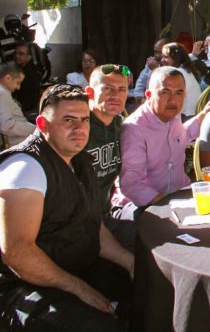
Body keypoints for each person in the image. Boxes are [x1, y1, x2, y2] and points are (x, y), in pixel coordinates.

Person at [0, 84, 134, 331]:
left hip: (76, 267)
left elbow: (94, 226)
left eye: (84, 120)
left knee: (146, 286)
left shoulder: (80, 161)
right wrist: (80, 288)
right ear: (42, 124)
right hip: (25, 286)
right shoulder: (25, 169)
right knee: (96, 326)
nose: (79, 128)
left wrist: (129, 262)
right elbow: (17, 253)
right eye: (68, 120)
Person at [119, 66, 210, 212]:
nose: (173, 100)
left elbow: (181, 137)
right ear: (149, 95)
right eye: (165, 92)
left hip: (179, 194)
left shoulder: (173, 116)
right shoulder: (134, 129)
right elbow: (131, 184)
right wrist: (167, 204)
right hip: (146, 205)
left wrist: (203, 116)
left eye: (179, 93)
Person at [84, 64, 135, 249]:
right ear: (90, 93)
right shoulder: (78, 127)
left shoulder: (122, 127)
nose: (116, 95)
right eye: (108, 89)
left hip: (106, 214)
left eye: (122, 89)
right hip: (76, 223)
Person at [160, 42, 202, 120]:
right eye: (162, 57)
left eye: (166, 57)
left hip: (185, 118)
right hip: (194, 114)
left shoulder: (176, 74)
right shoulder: (186, 70)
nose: (162, 60)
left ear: (176, 58)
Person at [0, 61, 35, 147]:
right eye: (18, 83)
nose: (18, 87)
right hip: (17, 144)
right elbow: (7, 126)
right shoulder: (2, 94)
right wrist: (35, 129)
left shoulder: (4, 92)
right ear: (8, 78)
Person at [128, 37, 169, 101]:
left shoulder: (172, 65)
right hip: (147, 99)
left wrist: (155, 69)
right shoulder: (151, 62)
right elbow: (141, 81)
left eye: (160, 52)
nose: (157, 55)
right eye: (156, 52)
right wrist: (139, 96)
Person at [12, 42, 43, 117]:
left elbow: (28, 98)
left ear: (29, 57)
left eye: (21, 54)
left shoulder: (31, 74)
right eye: (16, 53)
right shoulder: (20, 69)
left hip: (27, 111)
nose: (17, 56)